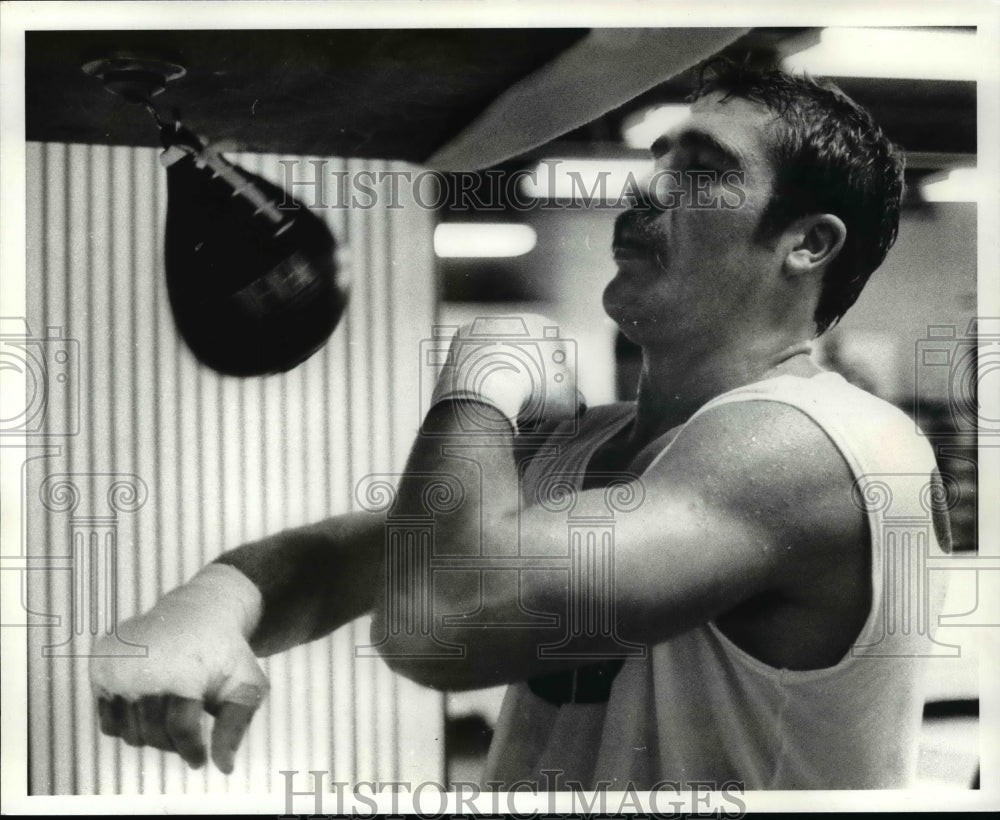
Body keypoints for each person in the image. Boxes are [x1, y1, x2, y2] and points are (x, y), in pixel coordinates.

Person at [90, 60, 951, 790]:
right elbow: (335, 565)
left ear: (807, 242)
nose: (643, 186)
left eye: (701, 170)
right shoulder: (588, 442)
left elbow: (438, 620)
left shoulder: (822, 445)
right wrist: (198, 612)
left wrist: (486, 360)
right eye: (655, 159)